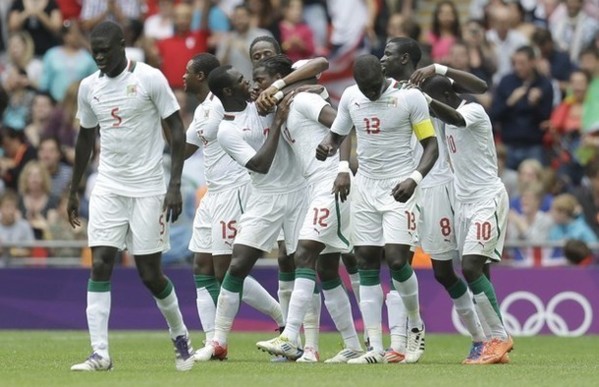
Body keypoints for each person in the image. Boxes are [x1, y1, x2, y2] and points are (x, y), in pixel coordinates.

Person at [67, 21, 194, 372]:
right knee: (100, 262)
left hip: (149, 187)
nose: (100, 58)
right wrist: (75, 190)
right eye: (95, 53)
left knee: (150, 274)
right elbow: (84, 139)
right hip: (108, 185)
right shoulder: (89, 87)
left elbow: (177, 131)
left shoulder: (150, 78)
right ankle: (100, 353)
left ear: (123, 46)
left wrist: (174, 185)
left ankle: (179, 333)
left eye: (106, 51)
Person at [316, 53, 438, 364]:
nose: (369, 93)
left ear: (381, 75)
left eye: (373, 87)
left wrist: (414, 178)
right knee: (365, 262)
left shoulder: (409, 98)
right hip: (365, 188)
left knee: (397, 260)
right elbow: (338, 132)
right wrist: (333, 154)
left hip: (399, 186)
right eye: (364, 88)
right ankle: (374, 347)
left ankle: (415, 323)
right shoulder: (352, 97)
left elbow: (431, 146)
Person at [253, 55, 363, 363]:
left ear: (282, 77)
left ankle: (290, 336)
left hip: (331, 184)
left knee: (303, 254)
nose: (256, 87)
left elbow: (342, 122)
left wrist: (342, 166)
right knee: (327, 269)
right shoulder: (286, 110)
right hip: (316, 187)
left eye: (259, 80)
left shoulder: (302, 101)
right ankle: (353, 345)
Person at [194, 64, 306, 361]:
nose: (250, 83)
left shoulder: (265, 102)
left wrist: (280, 87)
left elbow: (317, 70)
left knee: (300, 262)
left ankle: (299, 338)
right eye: (243, 80)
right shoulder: (226, 129)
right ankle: (218, 340)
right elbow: (259, 165)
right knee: (233, 267)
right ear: (229, 91)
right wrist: (279, 124)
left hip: (287, 192)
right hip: (260, 195)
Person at [387, 45, 490, 363]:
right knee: (395, 258)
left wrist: (439, 69)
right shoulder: (388, 90)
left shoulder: (432, 87)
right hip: (396, 185)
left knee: (446, 272)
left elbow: (480, 88)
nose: (382, 58)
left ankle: (483, 337)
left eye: (388, 53)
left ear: (405, 59)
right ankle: (400, 341)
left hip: (436, 185)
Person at [182, 53, 285, 350]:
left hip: (234, 190)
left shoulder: (223, 107)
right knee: (201, 266)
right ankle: (211, 341)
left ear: (204, 77)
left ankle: (280, 317)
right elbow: (185, 148)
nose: (183, 77)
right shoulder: (203, 110)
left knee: (226, 271)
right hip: (212, 193)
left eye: (188, 72)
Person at [420, 74, 514, 364]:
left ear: (444, 98)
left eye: (434, 104)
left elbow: (461, 115)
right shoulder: (446, 120)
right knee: (478, 270)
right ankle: (492, 342)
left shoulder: (471, 111)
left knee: (471, 267)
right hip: (464, 204)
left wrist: (425, 96)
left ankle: (500, 337)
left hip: (487, 199)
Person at [0, 189, 35, 260]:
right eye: (7, 207)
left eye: (13, 207)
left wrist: (15, 252)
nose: (11, 211)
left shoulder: (24, 226)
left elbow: (31, 250)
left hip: (19, 268)